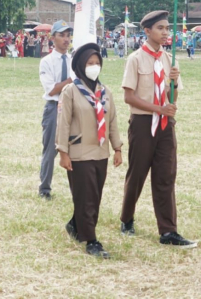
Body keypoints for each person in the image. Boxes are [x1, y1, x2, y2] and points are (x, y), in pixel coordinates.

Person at [120, 10, 196, 248]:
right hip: (143, 123)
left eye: (167, 28)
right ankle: (127, 218)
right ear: (147, 31)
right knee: (138, 173)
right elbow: (128, 97)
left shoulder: (170, 59)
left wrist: (173, 82)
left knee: (165, 175)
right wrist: (157, 108)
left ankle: (168, 231)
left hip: (165, 125)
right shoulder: (135, 59)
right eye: (160, 28)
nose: (165, 32)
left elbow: (173, 97)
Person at [56, 43, 123, 258]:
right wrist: (63, 152)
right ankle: (91, 240)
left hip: (101, 152)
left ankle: (75, 224)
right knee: (85, 197)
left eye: (97, 63)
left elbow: (111, 121)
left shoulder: (105, 92)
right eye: (89, 63)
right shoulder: (71, 91)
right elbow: (63, 123)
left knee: (94, 196)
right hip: (79, 152)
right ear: (80, 66)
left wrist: (117, 148)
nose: (94, 67)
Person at [38, 20, 73, 201]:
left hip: (72, 108)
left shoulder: (74, 60)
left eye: (68, 35)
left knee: (74, 149)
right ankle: (45, 188)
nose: (66, 39)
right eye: (62, 35)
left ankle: (77, 187)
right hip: (54, 107)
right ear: (53, 38)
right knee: (50, 150)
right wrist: (71, 81)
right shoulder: (47, 61)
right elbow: (51, 89)